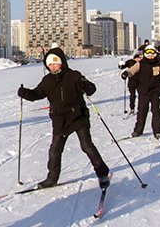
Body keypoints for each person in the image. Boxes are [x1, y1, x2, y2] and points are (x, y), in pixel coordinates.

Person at [17, 47, 111, 189]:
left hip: (78, 117)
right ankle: (52, 178)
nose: (53, 66)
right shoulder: (47, 80)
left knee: (86, 146)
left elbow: (91, 89)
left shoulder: (74, 75)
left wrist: (83, 84)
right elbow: (37, 94)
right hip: (60, 120)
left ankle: (103, 173)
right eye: (50, 64)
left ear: (62, 62)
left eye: (55, 63)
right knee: (55, 150)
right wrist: (25, 93)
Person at [122, 45, 160, 141]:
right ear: (144, 54)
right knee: (142, 110)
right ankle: (138, 130)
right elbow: (132, 70)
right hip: (143, 91)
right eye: (148, 53)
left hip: (155, 90)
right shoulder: (141, 63)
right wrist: (126, 73)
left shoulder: (159, 63)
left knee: (156, 110)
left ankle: (157, 131)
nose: (150, 55)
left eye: (152, 53)